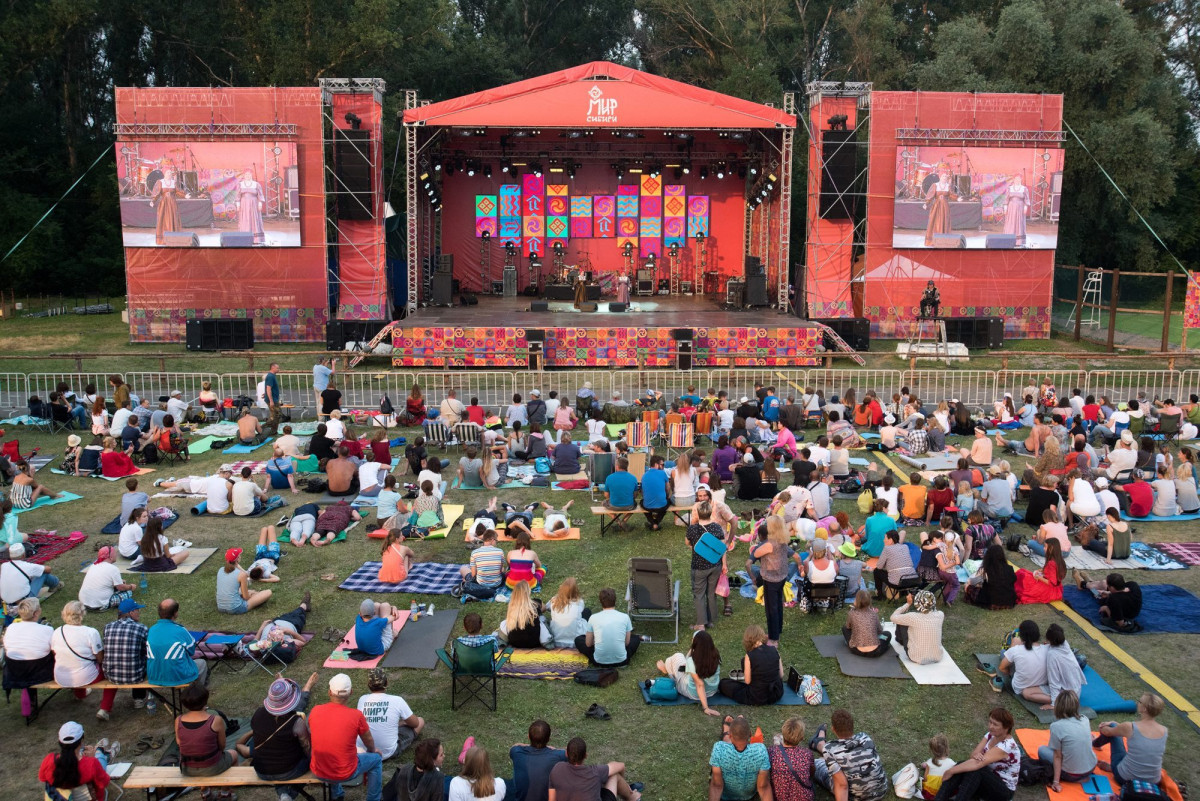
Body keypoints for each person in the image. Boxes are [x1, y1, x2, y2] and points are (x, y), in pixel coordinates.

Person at [310, 673, 384, 801]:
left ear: (329, 692)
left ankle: (337, 794)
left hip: (319, 771)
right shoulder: (356, 716)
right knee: (376, 760)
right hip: (345, 772)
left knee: (333, 752)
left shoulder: (315, 711)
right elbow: (368, 740)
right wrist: (373, 750)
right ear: (351, 692)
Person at [931, 708, 1020, 801]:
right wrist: (975, 757)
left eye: (995, 724)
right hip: (985, 781)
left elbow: (977, 764)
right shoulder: (991, 735)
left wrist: (950, 771)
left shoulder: (1007, 745)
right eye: (990, 722)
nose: (991, 726)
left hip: (1003, 791)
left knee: (975, 769)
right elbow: (973, 755)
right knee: (963, 765)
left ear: (1006, 728)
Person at [51, 601, 119, 721]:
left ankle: (80, 694)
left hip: (61, 676)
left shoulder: (57, 632)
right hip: (84, 676)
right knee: (113, 673)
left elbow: (54, 652)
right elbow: (100, 658)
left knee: (78, 665)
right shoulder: (90, 632)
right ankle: (105, 708)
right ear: (82, 614)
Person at [811, 708, 888, 801]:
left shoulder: (829, 749)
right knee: (836, 760)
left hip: (855, 797)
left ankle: (819, 744)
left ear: (833, 729)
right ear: (852, 726)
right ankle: (820, 746)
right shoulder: (865, 737)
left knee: (815, 764)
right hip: (881, 791)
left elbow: (842, 785)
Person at [1093, 692, 1168, 786]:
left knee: (1113, 728)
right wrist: (1117, 725)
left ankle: (1094, 744)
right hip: (1153, 782)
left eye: (1139, 702)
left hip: (1125, 779)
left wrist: (1105, 725)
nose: (1137, 703)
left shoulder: (1130, 727)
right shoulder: (1164, 731)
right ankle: (1112, 765)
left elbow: (1107, 732)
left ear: (1144, 709)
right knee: (1137, 755)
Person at [355, 668, 424, 762]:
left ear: (368, 684)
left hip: (364, 750)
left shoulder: (362, 699)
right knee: (421, 721)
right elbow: (415, 723)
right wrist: (403, 723)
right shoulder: (397, 700)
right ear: (387, 683)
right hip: (389, 752)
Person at [38, 721, 116, 801]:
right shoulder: (91, 764)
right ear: (81, 741)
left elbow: (42, 777)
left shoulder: (49, 759)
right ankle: (99, 751)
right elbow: (104, 782)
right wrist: (92, 759)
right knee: (99, 762)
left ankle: (100, 751)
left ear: (60, 741)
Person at [709, 715, 772, 801]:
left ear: (730, 736)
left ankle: (727, 729)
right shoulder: (761, 750)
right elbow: (763, 787)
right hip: (748, 796)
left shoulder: (719, 748)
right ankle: (738, 725)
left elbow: (717, 786)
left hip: (725, 796)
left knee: (715, 773)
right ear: (750, 734)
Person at [717, 625, 783, 707]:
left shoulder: (749, 656)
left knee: (723, 683)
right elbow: (781, 675)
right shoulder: (774, 650)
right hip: (776, 693)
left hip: (758, 697)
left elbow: (747, 681)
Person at [147, 598, 208, 687]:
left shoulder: (151, 630)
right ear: (175, 613)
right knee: (202, 663)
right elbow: (191, 651)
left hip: (154, 676)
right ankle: (196, 692)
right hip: (178, 676)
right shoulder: (180, 630)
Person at [686, 501, 727, 631]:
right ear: (711, 513)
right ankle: (710, 621)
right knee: (711, 592)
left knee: (699, 594)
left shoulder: (692, 529)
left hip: (699, 567)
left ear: (698, 513)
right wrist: (724, 564)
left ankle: (701, 624)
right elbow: (722, 548)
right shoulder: (717, 527)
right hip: (715, 565)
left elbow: (687, 542)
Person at [575, 587, 639, 667]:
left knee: (579, 639)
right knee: (636, 639)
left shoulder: (593, 618)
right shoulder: (625, 617)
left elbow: (588, 644)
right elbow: (626, 643)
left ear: (600, 601)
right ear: (615, 600)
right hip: (622, 661)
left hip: (599, 662)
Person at [510, 720, 568, 801]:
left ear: (528, 736)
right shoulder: (557, 756)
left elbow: (515, 746)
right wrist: (553, 749)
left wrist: (529, 745)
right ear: (549, 739)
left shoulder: (517, 753)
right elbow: (569, 752)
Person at [997, 619, 1048, 704]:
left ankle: (1011, 640)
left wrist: (1010, 673)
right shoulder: (1047, 649)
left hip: (1019, 687)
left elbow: (1002, 668)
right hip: (1040, 686)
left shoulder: (1016, 650)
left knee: (1003, 652)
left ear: (1022, 636)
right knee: (1014, 650)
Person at [889, 590, 944, 664]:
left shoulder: (912, 617)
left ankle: (900, 639)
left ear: (917, 603)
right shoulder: (940, 615)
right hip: (937, 656)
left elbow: (893, 617)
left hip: (916, 657)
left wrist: (908, 603)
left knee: (901, 621)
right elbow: (932, 609)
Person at [1077, 571, 1143, 631]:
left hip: (1126, 614)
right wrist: (1108, 592)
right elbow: (1124, 590)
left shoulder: (1114, 599)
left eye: (1108, 586)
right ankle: (1090, 582)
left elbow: (1120, 623)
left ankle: (1083, 584)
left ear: (1111, 587)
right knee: (1103, 583)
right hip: (1132, 608)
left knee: (1095, 592)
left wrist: (1106, 608)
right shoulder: (1133, 585)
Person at [79, 545, 136, 611]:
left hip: (83, 603)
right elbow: (120, 588)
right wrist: (130, 587)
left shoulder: (93, 565)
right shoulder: (113, 569)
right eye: (115, 554)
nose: (116, 555)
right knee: (128, 592)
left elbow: (102, 580)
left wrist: (119, 582)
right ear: (110, 557)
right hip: (99, 605)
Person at [499, 581, 552, 648]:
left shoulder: (511, 607)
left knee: (505, 623)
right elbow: (544, 608)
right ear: (528, 592)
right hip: (534, 642)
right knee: (542, 618)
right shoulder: (535, 605)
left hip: (515, 643)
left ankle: (502, 641)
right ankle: (547, 642)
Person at [458, 528, 507, 599]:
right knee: (503, 569)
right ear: (492, 540)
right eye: (496, 541)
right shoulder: (500, 551)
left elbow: (473, 575)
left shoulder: (475, 553)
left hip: (481, 584)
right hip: (497, 584)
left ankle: (469, 584)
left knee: (463, 568)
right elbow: (500, 571)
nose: (496, 543)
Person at [842, 590, 892, 657]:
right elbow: (880, 630)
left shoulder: (851, 613)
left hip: (856, 650)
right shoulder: (873, 614)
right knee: (887, 634)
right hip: (875, 651)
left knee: (844, 628)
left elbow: (848, 627)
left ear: (856, 601)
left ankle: (852, 642)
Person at [1014, 537, 1065, 605]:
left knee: (1022, 575)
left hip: (1048, 589)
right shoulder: (1058, 560)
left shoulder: (1051, 563)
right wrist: (1042, 571)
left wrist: (1039, 577)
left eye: (1045, 547)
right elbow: (1052, 573)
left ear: (1051, 548)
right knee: (1022, 572)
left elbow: (1052, 583)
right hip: (1055, 588)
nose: (1043, 548)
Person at [967, 544, 1017, 610]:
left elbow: (973, 582)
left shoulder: (987, 569)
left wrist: (969, 582)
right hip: (1009, 601)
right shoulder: (1010, 568)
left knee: (969, 587)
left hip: (992, 601)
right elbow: (1013, 580)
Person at [873, 530, 916, 598]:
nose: (883, 540)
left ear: (890, 540)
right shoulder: (905, 547)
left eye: (885, 538)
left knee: (876, 571)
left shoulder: (887, 549)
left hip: (899, 582)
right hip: (913, 580)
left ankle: (880, 595)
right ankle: (905, 593)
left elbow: (879, 566)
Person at [921, 734, 956, 801]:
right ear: (947, 748)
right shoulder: (952, 763)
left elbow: (925, 778)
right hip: (944, 792)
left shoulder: (929, 762)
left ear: (931, 750)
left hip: (930, 793)